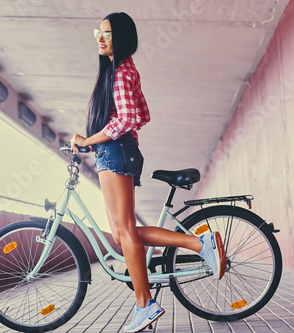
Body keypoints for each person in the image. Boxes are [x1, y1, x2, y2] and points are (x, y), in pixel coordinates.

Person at [70, 12, 226, 332]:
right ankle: (201, 244)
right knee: (122, 233)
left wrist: (90, 139)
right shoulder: (123, 70)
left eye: (108, 34)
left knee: (125, 231)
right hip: (118, 152)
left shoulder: (120, 73)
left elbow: (128, 119)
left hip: (115, 152)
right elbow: (143, 114)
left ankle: (145, 303)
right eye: (98, 33)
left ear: (122, 37)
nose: (101, 38)